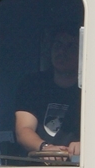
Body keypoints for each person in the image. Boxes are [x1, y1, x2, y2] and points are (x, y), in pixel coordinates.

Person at [14, 29, 82, 161]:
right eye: (58, 45)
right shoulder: (33, 84)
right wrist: (45, 148)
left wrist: (86, 146)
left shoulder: (93, 88)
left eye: (71, 47)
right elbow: (24, 129)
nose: (62, 52)